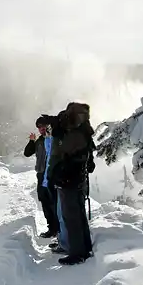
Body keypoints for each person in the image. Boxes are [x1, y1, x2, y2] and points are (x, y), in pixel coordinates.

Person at [47, 102, 94, 265]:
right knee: (78, 215)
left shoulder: (73, 132)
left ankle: (77, 253)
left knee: (71, 216)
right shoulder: (84, 129)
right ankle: (84, 248)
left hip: (68, 179)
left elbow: (63, 152)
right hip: (77, 178)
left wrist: (57, 129)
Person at [24, 115, 59, 239]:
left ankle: (59, 229)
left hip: (51, 175)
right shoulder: (39, 141)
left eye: (43, 126)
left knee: (54, 203)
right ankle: (52, 228)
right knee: (45, 202)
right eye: (39, 127)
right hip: (40, 175)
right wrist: (31, 141)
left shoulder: (54, 139)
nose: (41, 129)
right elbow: (27, 153)